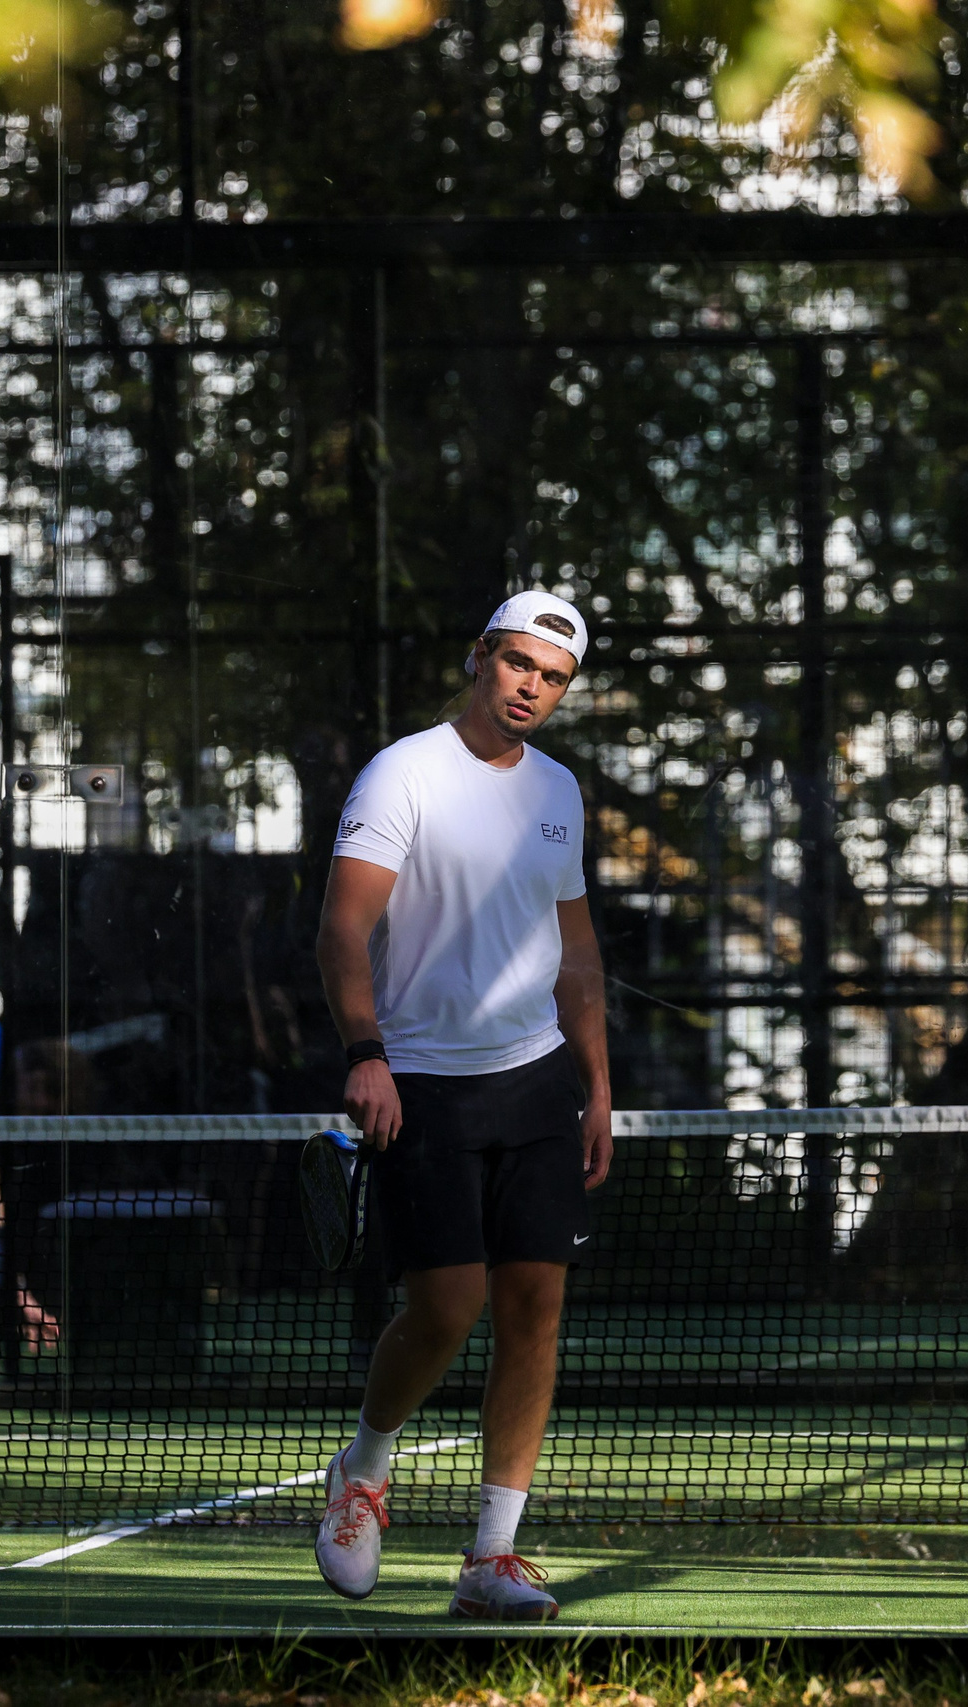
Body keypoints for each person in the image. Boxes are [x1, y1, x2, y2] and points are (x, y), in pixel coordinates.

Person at [309, 590, 613, 1622]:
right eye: (520, 663)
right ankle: (363, 1470)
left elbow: (575, 954)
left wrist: (598, 1089)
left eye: (555, 677)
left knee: (536, 1305)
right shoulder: (402, 773)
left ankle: (493, 1555)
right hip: (422, 1082)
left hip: (535, 1081)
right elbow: (342, 928)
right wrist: (366, 1055)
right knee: (448, 1306)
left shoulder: (560, 792)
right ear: (480, 655)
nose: (533, 686)